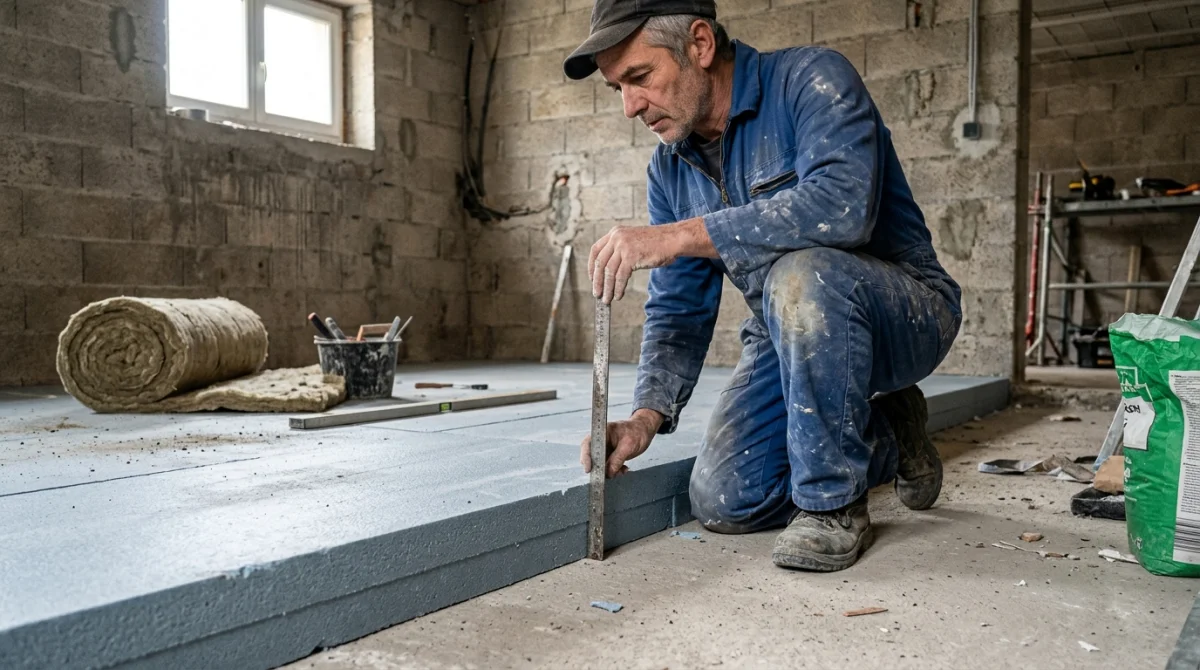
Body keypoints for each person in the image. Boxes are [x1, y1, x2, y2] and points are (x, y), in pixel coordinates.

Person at [565, 0, 962, 572]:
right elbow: (679, 307)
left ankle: (833, 506)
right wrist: (644, 417)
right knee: (725, 497)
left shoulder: (811, 80)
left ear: (699, 45)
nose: (630, 107)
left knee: (802, 274)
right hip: (790, 334)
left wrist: (682, 234)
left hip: (908, 312)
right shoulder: (670, 169)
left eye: (640, 77)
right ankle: (890, 434)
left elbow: (843, 208)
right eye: (616, 89)